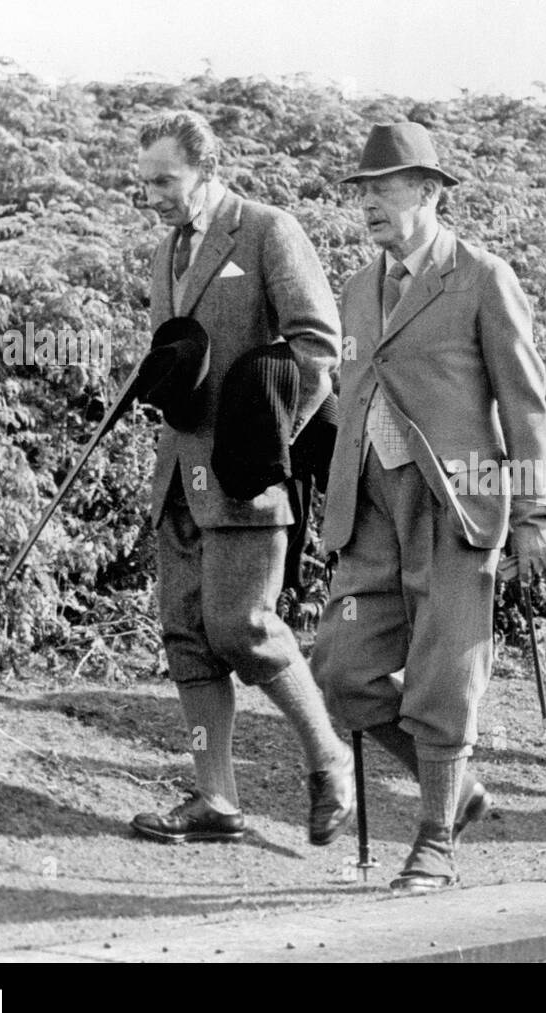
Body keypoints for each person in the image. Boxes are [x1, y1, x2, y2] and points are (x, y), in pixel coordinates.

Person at [311, 122, 546, 892]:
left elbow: (526, 405)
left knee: (444, 679)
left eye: (383, 190)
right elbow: (352, 393)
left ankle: (433, 845)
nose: (369, 207)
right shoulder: (357, 287)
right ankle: (462, 793)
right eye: (362, 194)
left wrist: (535, 513)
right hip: (372, 505)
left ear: (427, 191)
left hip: (461, 505)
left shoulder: (482, 277)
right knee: (342, 670)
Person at [129, 110, 355, 847]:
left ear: (207, 166)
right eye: (146, 182)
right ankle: (215, 799)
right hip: (177, 476)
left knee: (243, 629)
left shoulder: (266, 230)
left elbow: (318, 344)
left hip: (246, 477)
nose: (154, 194)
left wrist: (270, 441)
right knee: (187, 640)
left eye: (166, 179)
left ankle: (330, 757)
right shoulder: (166, 251)